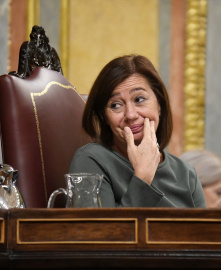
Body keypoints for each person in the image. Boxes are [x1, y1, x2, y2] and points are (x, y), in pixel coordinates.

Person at [68, 54, 206, 208]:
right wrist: (143, 177)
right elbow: (102, 232)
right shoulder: (91, 161)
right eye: (115, 105)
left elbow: (203, 232)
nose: (131, 115)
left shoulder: (187, 174)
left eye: (139, 99)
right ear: (104, 117)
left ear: (159, 104)